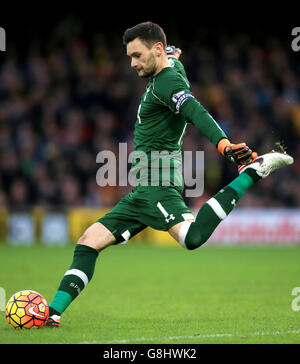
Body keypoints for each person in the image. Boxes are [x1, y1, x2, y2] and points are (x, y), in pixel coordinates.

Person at [46, 22, 293, 327]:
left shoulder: (166, 83)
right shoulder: (172, 68)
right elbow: (175, 58)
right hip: (142, 191)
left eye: (137, 55)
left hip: (158, 185)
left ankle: (253, 172)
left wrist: (224, 145)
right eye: (130, 56)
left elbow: (195, 111)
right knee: (88, 242)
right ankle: (51, 314)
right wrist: (174, 54)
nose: (132, 63)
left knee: (191, 238)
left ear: (157, 50)